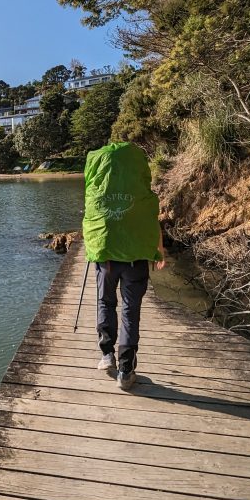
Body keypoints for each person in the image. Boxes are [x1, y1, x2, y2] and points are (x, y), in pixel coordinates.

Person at [82, 141, 165, 390]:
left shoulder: (97, 192)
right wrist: (159, 250)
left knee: (105, 302)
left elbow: (90, 220)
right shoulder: (142, 195)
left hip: (105, 257)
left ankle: (107, 355)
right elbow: (151, 219)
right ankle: (126, 371)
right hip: (135, 258)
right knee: (131, 311)